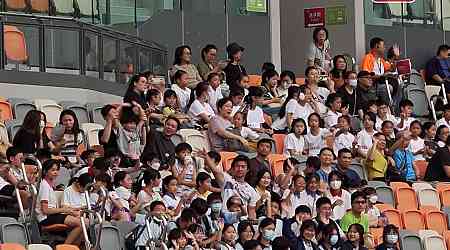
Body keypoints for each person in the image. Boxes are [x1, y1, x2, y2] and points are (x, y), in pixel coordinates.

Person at [36, 159, 84, 245]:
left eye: (57, 170)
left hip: (52, 215)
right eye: (53, 170)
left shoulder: (49, 185)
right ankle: (65, 247)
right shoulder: (44, 186)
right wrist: (64, 210)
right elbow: (45, 210)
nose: (56, 172)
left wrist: (74, 209)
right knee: (81, 223)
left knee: (85, 221)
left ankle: (73, 247)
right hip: (45, 218)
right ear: (45, 171)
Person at [222, 155, 258, 220]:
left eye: (243, 167)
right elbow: (215, 171)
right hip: (226, 220)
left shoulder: (251, 190)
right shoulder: (226, 180)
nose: (240, 169)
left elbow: (251, 211)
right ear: (232, 168)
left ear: (247, 170)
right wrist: (207, 158)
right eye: (237, 166)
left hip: (242, 223)